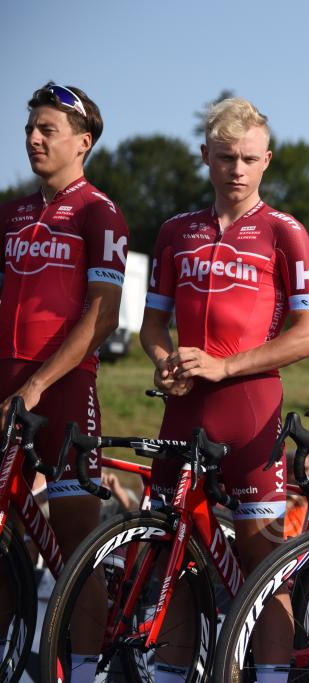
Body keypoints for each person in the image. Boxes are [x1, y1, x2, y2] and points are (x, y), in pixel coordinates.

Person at [140, 96, 309, 680]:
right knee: (169, 552)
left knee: (263, 560)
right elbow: (152, 326)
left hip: (251, 410)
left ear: (266, 159)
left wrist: (226, 366)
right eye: (225, 158)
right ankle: (171, 672)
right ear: (205, 157)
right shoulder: (174, 232)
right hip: (183, 409)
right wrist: (165, 360)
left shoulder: (285, 233)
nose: (236, 170)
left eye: (248, 158)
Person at [0, 82, 128, 681]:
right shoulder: (12, 213)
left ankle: (83, 671)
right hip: (7, 386)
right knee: (6, 542)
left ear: (83, 142)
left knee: (77, 549)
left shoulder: (98, 212)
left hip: (67, 389)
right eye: (31, 128)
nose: (33, 138)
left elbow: (102, 315)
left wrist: (40, 383)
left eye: (47, 129)